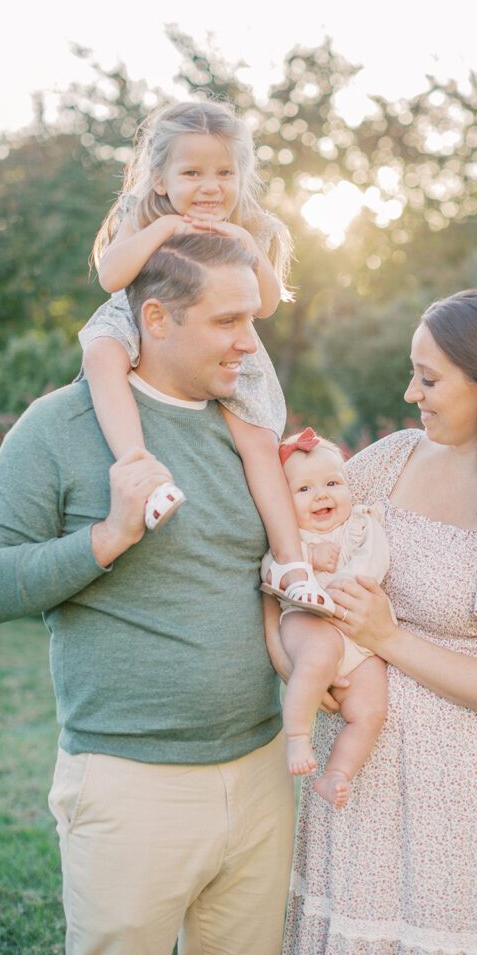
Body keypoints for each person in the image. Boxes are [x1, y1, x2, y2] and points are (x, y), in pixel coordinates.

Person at [0, 234, 296, 955]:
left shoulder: (248, 429)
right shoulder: (60, 427)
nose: (250, 344)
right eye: (227, 322)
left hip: (261, 774)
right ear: (155, 319)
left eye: (252, 319)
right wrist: (108, 537)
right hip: (129, 789)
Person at [275, 289, 477, 955]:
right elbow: (294, 547)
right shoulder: (390, 460)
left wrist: (387, 640)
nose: (411, 391)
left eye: (429, 377)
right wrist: (302, 662)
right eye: (413, 371)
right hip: (357, 779)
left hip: (462, 801)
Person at [81, 99, 333, 612]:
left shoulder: (247, 226)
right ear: (160, 179)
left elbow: (263, 304)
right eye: (192, 172)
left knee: (258, 440)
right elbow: (112, 278)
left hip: (225, 338)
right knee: (101, 356)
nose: (210, 186)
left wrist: (245, 241)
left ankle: (290, 564)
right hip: (135, 315)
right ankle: (141, 472)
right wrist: (162, 231)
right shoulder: (145, 215)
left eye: (224, 172)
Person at [262, 427, 389, 808]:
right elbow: (271, 572)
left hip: (359, 636)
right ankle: (298, 735)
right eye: (304, 490)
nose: (321, 495)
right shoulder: (290, 538)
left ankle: (337, 773)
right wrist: (305, 557)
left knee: (372, 709)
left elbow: (377, 559)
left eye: (332, 483)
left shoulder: (362, 525)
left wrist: (354, 577)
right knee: (318, 656)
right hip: (308, 620)